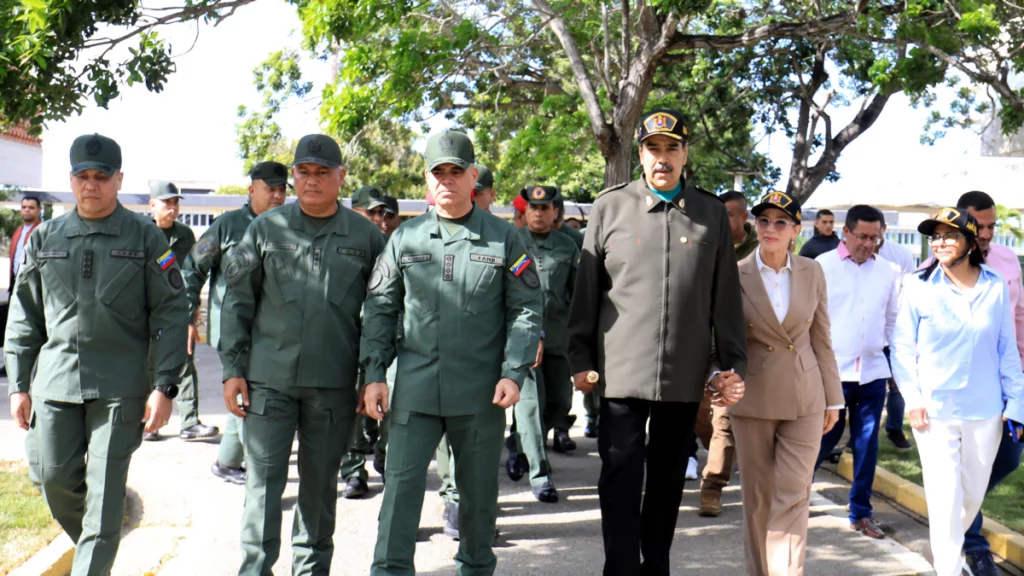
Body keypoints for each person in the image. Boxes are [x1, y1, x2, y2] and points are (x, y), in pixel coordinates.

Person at [567, 109, 747, 576]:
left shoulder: (709, 212)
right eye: (653, 149)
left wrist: (732, 365)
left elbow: (724, 297)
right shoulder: (610, 207)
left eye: (671, 149)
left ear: (686, 154)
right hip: (621, 370)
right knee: (620, 476)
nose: (662, 159)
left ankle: (657, 565)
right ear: (640, 154)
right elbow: (586, 292)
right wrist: (580, 357)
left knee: (668, 480)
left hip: (683, 373)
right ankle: (621, 567)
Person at [360, 129, 543, 576]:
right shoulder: (406, 239)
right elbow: (380, 308)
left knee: (479, 505)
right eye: (437, 172)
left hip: (480, 394)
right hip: (415, 393)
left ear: (472, 176)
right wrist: (375, 373)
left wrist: (513, 371)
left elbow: (526, 309)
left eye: (455, 171)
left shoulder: (504, 238)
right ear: (427, 180)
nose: (447, 180)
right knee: (400, 497)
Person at [6, 133, 187, 575]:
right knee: (51, 478)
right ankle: (99, 538)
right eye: (82, 176)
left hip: (119, 390)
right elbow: (24, 315)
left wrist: (165, 386)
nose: (91, 185)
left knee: (105, 497)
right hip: (54, 383)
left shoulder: (147, 238)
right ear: (71, 181)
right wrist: (19, 384)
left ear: (118, 179)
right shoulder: (45, 237)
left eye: (101, 177)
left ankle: (95, 553)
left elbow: (172, 310)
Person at [218, 134, 385, 575]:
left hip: (332, 386)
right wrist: (233, 368)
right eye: (304, 172)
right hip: (267, 382)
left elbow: (384, 312)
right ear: (293, 177)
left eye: (323, 173)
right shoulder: (265, 228)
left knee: (318, 492)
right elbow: (237, 301)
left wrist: (373, 374)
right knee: (264, 487)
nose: (312, 181)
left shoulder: (366, 236)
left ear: (341, 177)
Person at [891, 206, 1024, 576]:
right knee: (944, 497)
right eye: (935, 236)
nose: (940, 243)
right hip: (933, 410)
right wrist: (912, 400)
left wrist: (1018, 404)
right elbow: (902, 348)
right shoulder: (917, 285)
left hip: (985, 408)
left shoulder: (995, 285)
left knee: (969, 497)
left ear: (969, 241)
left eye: (949, 235)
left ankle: (950, 553)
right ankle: (948, 569)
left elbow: (1006, 349)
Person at [718, 191, 843, 575]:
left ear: (796, 230)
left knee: (793, 497)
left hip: (805, 399)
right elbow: (718, 339)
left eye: (781, 223)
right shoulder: (732, 274)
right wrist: (717, 384)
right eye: (764, 221)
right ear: (755, 226)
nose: (771, 229)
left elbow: (821, 337)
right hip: (753, 399)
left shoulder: (812, 271)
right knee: (758, 500)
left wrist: (833, 399)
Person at [181, 161, 287, 485]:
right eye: (271, 189)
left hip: (271, 329)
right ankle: (259, 472)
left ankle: (227, 461)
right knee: (248, 391)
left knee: (245, 392)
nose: (278, 196)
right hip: (231, 327)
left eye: (283, 190)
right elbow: (190, 268)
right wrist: (188, 317)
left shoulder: (287, 227)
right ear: (251, 190)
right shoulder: (226, 227)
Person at [813, 204, 900, 540]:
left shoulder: (887, 271)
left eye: (874, 238)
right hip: (832, 373)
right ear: (845, 232)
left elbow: (891, 319)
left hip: (874, 372)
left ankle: (860, 513)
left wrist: (892, 361)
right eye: (862, 236)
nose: (867, 243)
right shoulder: (822, 267)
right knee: (823, 439)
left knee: (867, 445)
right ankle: (791, 496)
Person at [954, 191, 1024, 576]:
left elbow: (1019, 316)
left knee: (1009, 457)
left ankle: (955, 511)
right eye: (978, 226)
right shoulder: (942, 262)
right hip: (964, 388)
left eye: (991, 225)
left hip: (1007, 382)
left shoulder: (1008, 260)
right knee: (970, 461)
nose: (985, 233)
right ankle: (973, 545)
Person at [505, 185, 580, 503]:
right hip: (522, 340)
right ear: (525, 212)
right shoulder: (512, 242)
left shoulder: (568, 246)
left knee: (560, 404)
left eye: (545, 207)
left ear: (555, 212)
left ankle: (519, 444)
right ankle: (540, 475)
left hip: (559, 340)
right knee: (531, 408)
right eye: (533, 208)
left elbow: (578, 296)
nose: (538, 213)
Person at [693, 190, 759, 518]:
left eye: (727, 215)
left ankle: (712, 486)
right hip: (704, 345)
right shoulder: (704, 246)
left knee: (724, 419)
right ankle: (719, 462)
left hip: (741, 346)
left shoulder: (759, 252)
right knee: (702, 419)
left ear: (742, 217)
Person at [146, 181, 219, 442]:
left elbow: (192, 275)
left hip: (176, 310)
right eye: (167, 202)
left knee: (185, 363)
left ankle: (189, 423)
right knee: (148, 365)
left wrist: (193, 311)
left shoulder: (185, 235)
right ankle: (149, 422)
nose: (173, 208)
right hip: (145, 311)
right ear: (152, 205)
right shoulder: (141, 232)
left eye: (176, 202)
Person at [874, 211, 917, 452]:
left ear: (885, 228)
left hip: (896, 331)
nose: (871, 239)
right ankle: (860, 433)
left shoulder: (900, 255)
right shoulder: (849, 254)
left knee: (898, 383)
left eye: (877, 231)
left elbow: (908, 291)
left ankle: (894, 428)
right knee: (866, 385)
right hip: (864, 332)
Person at [8, 195, 41, 293]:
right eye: (24, 207)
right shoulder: (17, 231)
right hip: (14, 281)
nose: (27, 210)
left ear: (39, 211)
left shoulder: (42, 231)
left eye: (31, 207)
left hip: (33, 284)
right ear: (20, 210)